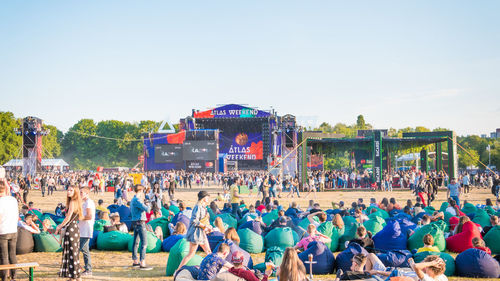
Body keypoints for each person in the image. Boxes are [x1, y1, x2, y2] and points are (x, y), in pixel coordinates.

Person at [176, 191, 213, 272]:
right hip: (195, 233)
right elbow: (194, 221)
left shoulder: (203, 207)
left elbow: (203, 220)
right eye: (207, 197)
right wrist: (205, 226)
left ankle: (212, 269)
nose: (208, 198)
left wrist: (208, 226)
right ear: (204, 198)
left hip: (201, 232)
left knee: (208, 251)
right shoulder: (198, 207)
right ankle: (178, 270)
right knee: (191, 254)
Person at [55, 185, 83, 281]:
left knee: (72, 253)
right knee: (73, 253)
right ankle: (75, 276)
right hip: (74, 228)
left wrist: (60, 226)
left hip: (71, 229)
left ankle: (74, 276)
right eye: (68, 190)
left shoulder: (73, 201)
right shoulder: (76, 202)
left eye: (71, 190)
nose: (68, 192)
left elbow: (68, 217)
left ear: (75, 192)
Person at [0, 178, 19, 281]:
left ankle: (3, 278)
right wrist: (6, 184)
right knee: (12, 255)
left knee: (4, 256)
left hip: (2, 231)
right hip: (13, 230)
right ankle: (14, 277)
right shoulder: (13, 200)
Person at [130, 184, 152, 270]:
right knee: (144, 243)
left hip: (135, 221)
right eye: (142, 191)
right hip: (140, 222)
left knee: (136, 242)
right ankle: (142, 261)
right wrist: (148, 203)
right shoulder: (137, 200)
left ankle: (135, 260)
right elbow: (148, 210)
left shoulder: (133, 199)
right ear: (140, 191)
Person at [79, 187, 95, 276]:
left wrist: (79, 217)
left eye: (81, 192)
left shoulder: (89, 202)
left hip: (86, 229)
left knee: (84, 249)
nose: (80, 194)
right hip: (82, 229)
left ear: (87, 193)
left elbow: (89, 216)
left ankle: (88, 270)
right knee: (81, 249)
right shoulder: (84, 203)